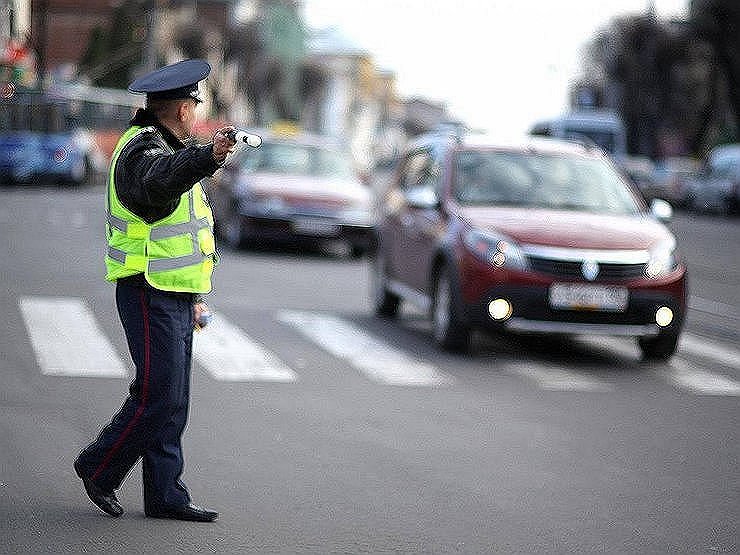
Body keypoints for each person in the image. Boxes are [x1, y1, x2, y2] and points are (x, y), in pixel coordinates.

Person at [73, 59, 236, 522]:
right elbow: (157, 184)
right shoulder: (140, 151)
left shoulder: (168, 145)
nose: (195, 114)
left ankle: (166, 495)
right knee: (157, 396)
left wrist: (198, 295)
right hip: (147, 288)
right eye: (192, 105)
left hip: (176, 291)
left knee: (173, 400)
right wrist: (206, 157)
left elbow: (189, 230)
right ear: (182, 109)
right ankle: (98, 468)